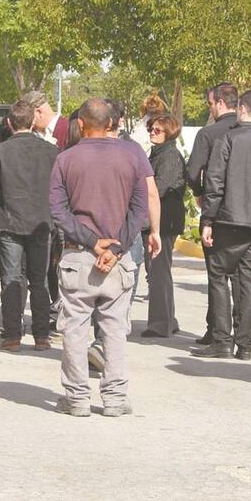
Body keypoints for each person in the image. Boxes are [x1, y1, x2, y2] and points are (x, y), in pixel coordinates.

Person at [49, 98, 150, 418]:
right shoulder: (132, 157)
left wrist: (93, 243)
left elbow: (58, 212)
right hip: (118, 259)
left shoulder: (65, 159)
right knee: (115, 330)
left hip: (79, 255)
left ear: (80, 124)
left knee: (75, 329)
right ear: (111, 123)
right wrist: (117, 247)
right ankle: (115, 398)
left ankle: (77, 398)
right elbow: (140, 210)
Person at [193, 91, 251, 360]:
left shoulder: (228, 139)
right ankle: (245, 344)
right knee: (248, 279)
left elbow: (215, 181)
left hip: (229, 219)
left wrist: (208, 219)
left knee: (219, 275)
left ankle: (222, 339)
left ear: (242, 109)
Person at [0, 99, 59, 352]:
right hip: (42, 223)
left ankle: (12, 335)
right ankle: (41, 336)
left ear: (9, 123)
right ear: (34, 121)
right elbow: (58, 191)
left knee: (11, 279)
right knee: (40, 281)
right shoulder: (51, 151)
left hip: (9, 223)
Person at [185, 82, 239, 346]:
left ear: (220, 103)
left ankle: (218, 330)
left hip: (216, 210)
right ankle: (243, 334)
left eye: (210, 104)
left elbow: (193, 171)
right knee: (242, 276)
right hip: (249, 211)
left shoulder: (208, 134)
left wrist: (199, 191)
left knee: (216, 275)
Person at [141, 113, 185, 338]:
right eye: (151, 129)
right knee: (159, 271)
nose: (152, 133)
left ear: (169, 133)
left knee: (158, 271)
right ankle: (167, 319)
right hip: (159, 220)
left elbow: (158, 189)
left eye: (157, 130)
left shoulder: (169, 156)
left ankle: (161, 323)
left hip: (164, 221)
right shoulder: (159, 154)